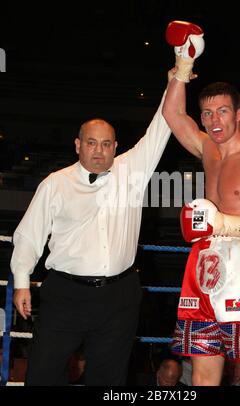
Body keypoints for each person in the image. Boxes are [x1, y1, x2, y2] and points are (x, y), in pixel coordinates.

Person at [10, 87, 171, 385]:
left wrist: (180, 75)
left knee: (109, 381)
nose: (99, 150)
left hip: (119, 296)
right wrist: (21, 283)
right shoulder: (55, 184)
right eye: (92, 143)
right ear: (78, 145)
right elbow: (30, 236)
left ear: (115, 146)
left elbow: (162, 124)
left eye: (106, 144)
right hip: (65, 296)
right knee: (42, 375)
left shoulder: (132, 171)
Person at [163, 21, 240, 385]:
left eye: (221, 112)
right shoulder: (208, 150)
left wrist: (223, 223)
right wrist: (182, 65)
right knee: (202, 370)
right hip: (205, 262)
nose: (212, 120)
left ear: (238, 114)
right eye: (206, 113)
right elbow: (173, 115)